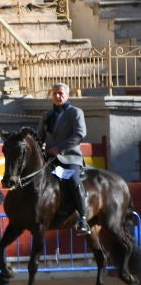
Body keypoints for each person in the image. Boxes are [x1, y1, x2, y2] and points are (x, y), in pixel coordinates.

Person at [38, 82, 90, 235]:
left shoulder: (75, 112)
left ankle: (83, 219)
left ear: (68, 95)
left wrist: (58, 148)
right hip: (50, 159)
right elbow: (39, 137)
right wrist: (40, 147)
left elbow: (80, 134)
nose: (58, 96)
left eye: (61, 93)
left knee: (74, 182)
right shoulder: (47, 116)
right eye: (54, 94)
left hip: (70, 158)